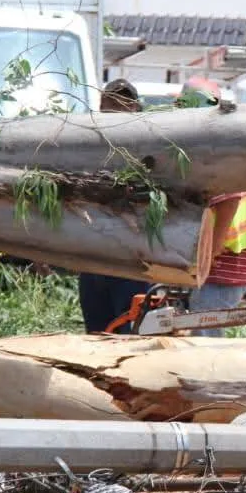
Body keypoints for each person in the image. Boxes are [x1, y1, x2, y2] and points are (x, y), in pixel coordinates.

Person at [176, 82, 246, 337]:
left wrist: (207, 258)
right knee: (200, 335)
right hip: (218, 266)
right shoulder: (214, 146)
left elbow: (229, 201)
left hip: (221, 266)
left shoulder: (217, 151)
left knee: (205, 343)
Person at [78, 80, 152, 333]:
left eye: (124, 103)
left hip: (131, 259)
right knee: (97, 332)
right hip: (94, 257)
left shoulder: (148, 147)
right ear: (101, 106)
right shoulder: (88, 145)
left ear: (135, 108)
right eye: (111, 103)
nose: (117, 109)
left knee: (129, 331)